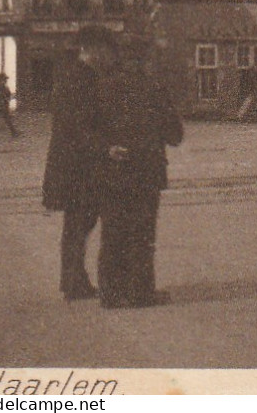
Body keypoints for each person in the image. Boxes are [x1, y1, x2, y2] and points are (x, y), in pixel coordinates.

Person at [86, 29, 183, 308]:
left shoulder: (101, 87)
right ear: (144, 58)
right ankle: (140, 292)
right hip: (146, 172)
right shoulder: (154, 89)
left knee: (113, 232)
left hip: (112, 171)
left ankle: (111, 294)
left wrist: (106, 148)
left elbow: (84, 131)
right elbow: (175, 135)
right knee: (142, 234)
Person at [43, 41, 102, 301]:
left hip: (66, 162)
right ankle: (74, 282)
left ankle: (71, 280)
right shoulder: (84, 78)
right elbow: (83, 124)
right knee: (80, 223)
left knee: (75, 224)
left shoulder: (68, 77)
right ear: (90, 51)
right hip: (79, 165)